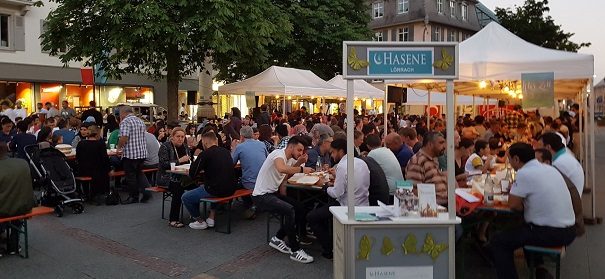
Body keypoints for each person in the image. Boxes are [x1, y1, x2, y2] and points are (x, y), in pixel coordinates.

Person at [489, 143, 576, 279]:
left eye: (510, 159)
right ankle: (539, 269)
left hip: (552, 232)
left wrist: (520, 202)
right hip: (570, 229)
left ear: (516, 159)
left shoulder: (524, 173)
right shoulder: (549, 168)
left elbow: (513, 204)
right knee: (523, 229)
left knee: (499, 241)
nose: (509, 162)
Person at [252, 136, 315, 264]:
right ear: (290, 147)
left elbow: (285, 176)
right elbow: (281, 168)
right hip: (261, 196)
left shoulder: (289, 159)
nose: (300, 153)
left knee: (300, 208)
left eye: (302, 151)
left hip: (271, 194)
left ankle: (278, 238)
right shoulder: (278, 154)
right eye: (299, 150)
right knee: (290, 210)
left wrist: (298, 163)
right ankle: (295, 250)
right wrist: (302, 168)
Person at [307, 138, 370, 259]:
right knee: (323, 208)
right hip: (363, 202)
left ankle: (328, 249)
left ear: (341, 151)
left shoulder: (342, 166)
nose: (332, 155)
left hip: (347, 207)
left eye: (333, 152)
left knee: (312, 217)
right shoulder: (360, 162)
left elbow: (337, 193)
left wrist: (324, 186)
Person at [184, 131, 236, 230]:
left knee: (186, 197)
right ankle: (211, 217)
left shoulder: (205, 154)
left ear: (205, 143)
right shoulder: (226, 152)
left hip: (214, 189)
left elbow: (192, 173)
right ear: (215, 141)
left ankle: (199, 220)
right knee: (215, 183)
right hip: (231, 188)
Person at [0, 141, 34, 256]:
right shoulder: (22, 163)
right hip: (24, 206)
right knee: (12, 203)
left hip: (3, 210)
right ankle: (13, 244)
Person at [157, 128, 191, 228]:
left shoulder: (185, 147)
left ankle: (195, 215)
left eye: (182, 137)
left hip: (183, 176)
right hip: (166, 177)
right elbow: (164, 165)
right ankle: (173, 219)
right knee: (178, 189)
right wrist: (179, 160)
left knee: (196, 186)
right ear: (172, 137)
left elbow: (189, 161)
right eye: (178, 136)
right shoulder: (165, 147)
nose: (180, 139)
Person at [117, 105, 149, 204]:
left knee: (131, 176)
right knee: (139, 173)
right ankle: (147, 192)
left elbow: (124, 137)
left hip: (131, 153)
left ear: (123, 113)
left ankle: (133, 197)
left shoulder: (125, 122)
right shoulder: (140, 121)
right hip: (142, 152)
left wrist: (119, 148)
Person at [405, 132, 448, 205]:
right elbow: (414, 191)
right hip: (433, 208)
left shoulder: (433, 159)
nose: (444, 146)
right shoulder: (418, 162)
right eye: (441, 143)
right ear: (430, 144)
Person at [75, 125, 110, 202]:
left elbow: (77, 157)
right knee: (103, 170)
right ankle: (98, 192)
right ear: (97, 133)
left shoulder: (81, 144)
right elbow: (105, 159)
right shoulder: (101, 144)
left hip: (83, 170)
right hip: (97, 171)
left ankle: (86, 193)